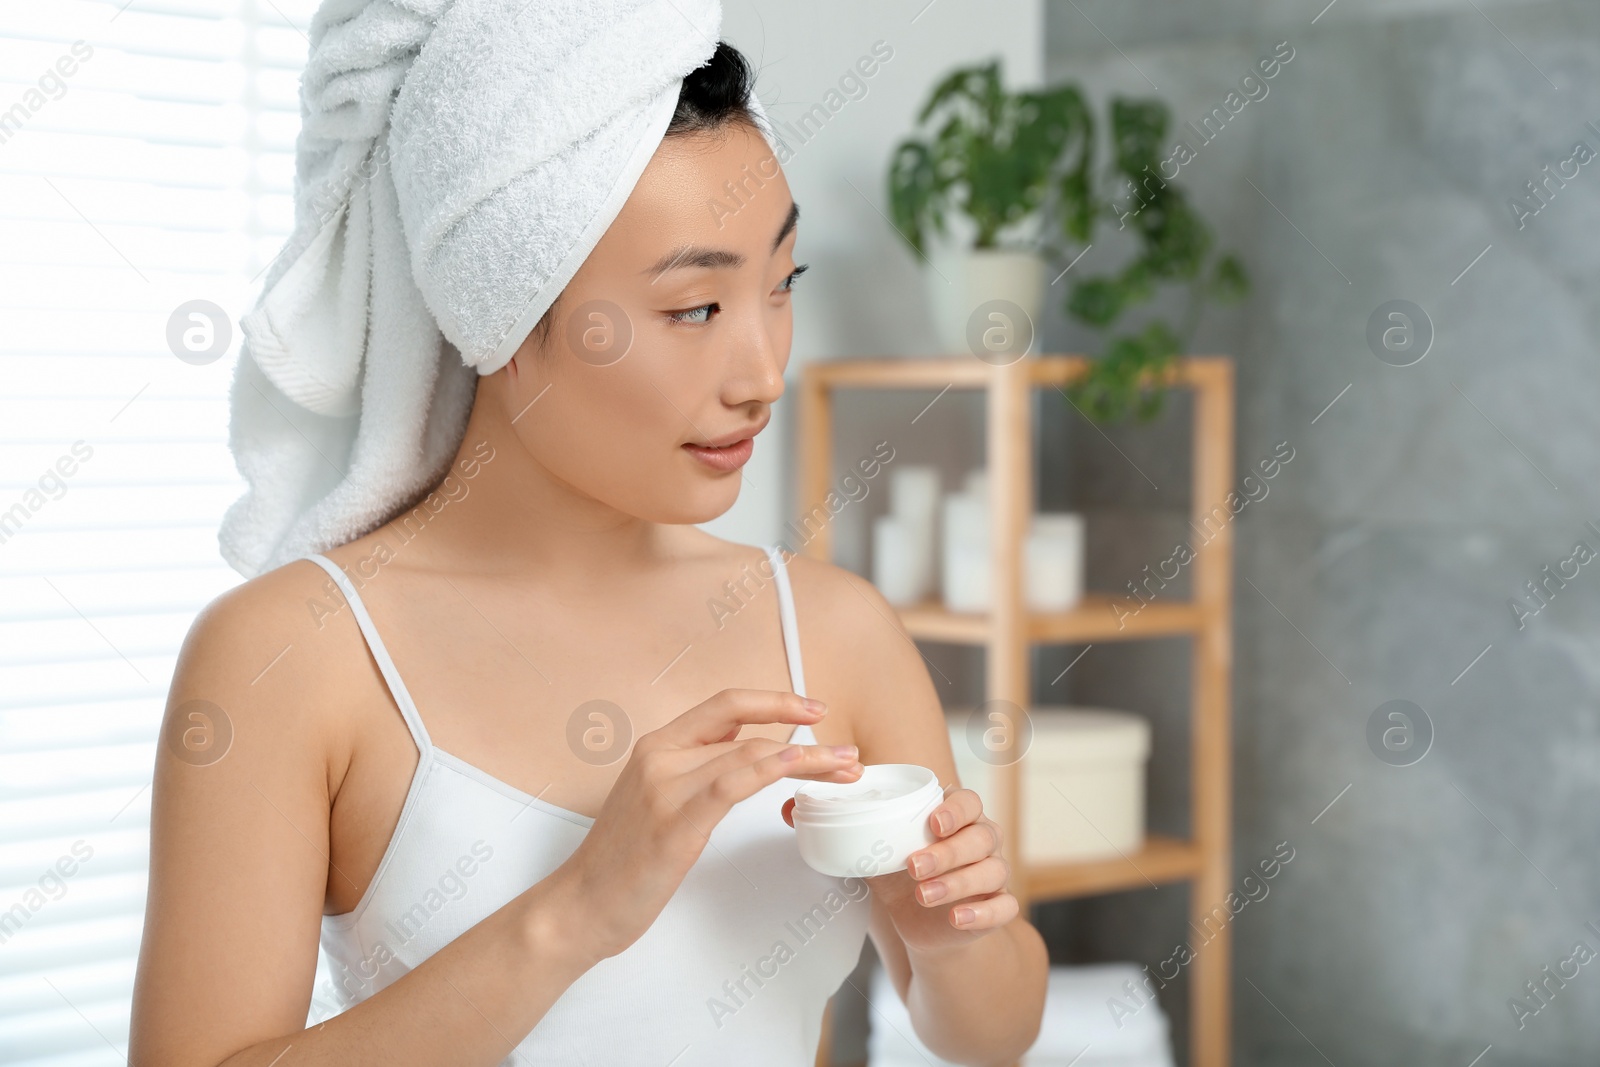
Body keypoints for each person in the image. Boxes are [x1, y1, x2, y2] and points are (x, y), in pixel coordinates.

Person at [129, 37, 1048, 1067]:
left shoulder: (834, 630)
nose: (760, 373)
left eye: (781, 284)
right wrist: (574, 911)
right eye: (693, 308)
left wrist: (953, 938)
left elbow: (992, 1033)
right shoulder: (290, 656)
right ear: (503, 312)